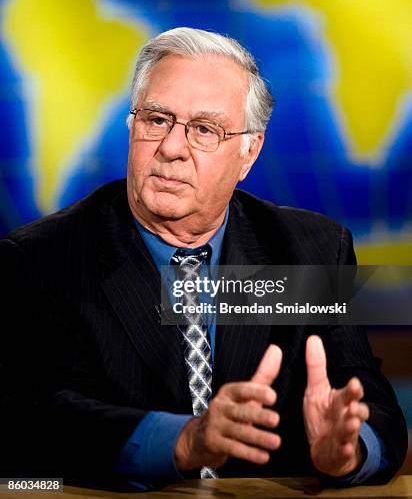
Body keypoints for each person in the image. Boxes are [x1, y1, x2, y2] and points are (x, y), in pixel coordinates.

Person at [0, 28, 407, 491]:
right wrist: (184, 441)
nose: (172, 149)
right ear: (132, 126)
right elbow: (30, 422)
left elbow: (377, 414)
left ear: (248, 153)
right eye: (156, 119)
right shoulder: (41, 258)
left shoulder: (308, 252)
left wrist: (348, 452)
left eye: (204, 130)